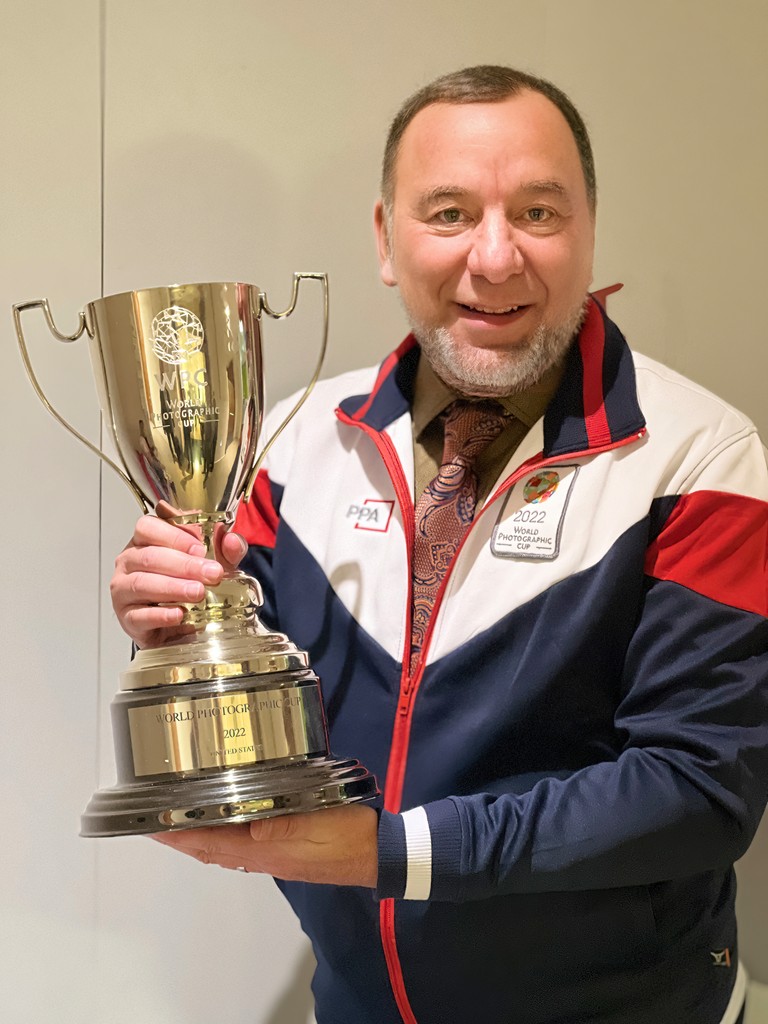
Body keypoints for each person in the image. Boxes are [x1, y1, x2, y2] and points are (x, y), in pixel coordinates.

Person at [111, 66, 768, 1024]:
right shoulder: (288, 445)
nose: (495, 258)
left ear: (588, 227)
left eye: (538, 212)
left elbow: (698, 790)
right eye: (450, 212)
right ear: (387, 238)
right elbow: (251, 722)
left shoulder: (704, 457)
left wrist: (390, 852)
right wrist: (169, 626)